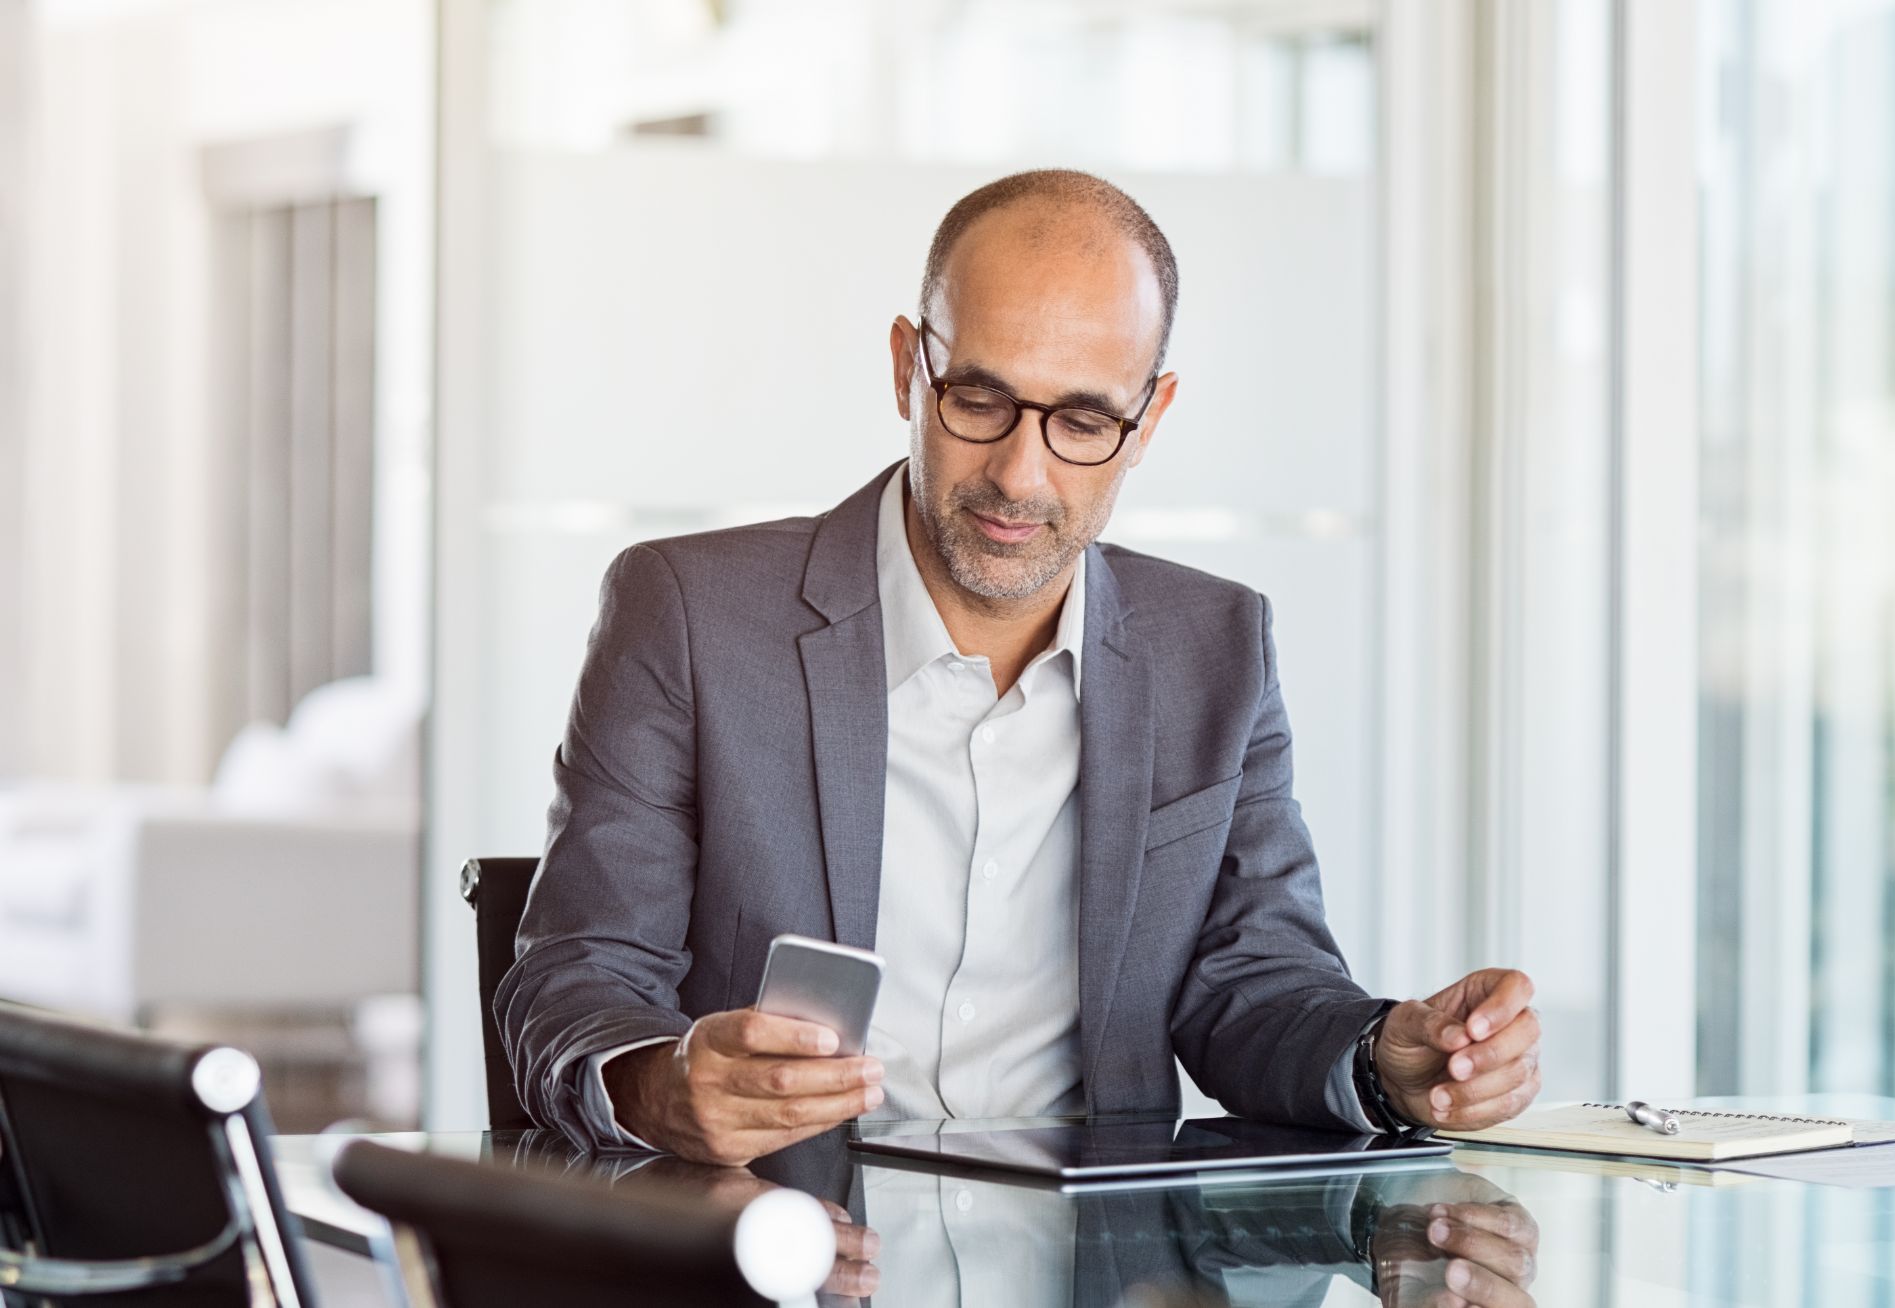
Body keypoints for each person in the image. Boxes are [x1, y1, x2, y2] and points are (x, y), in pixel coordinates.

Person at [495, 169, 1542, 1165]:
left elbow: (1253, 988)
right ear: (908, 366)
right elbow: (576, 977)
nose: (1018, 473)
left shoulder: (1214, 647)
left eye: (1083, 420)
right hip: (782, 1243)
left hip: (1092, 1255)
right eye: (978, 400)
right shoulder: (689, 615)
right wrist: (655, 1081)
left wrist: (1381, 1059)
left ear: (1150, 419)